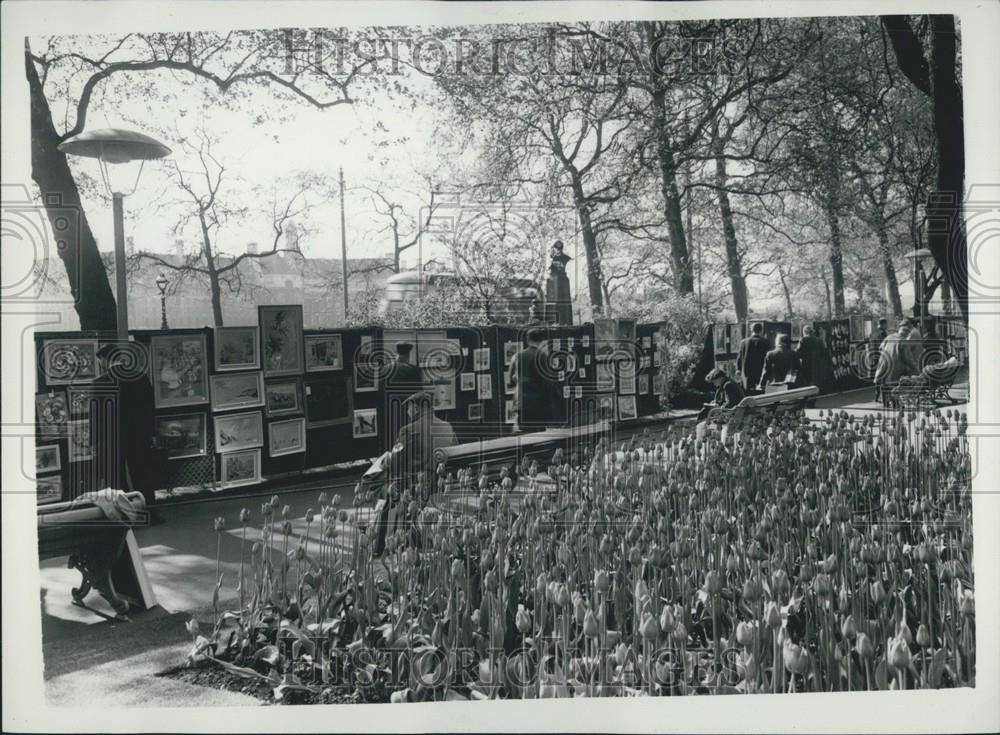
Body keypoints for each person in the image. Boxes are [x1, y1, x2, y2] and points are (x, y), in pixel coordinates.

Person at [374, 391, 457, 555]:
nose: (407, 412)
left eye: (409, 408)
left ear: (417, 408)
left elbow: (397, 463)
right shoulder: (447, 427)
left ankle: (379, 548)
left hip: (414, 488)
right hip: (439, 487)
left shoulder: (408, 430)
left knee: (384, 492)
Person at [96, 343, 159, 508]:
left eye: (100, 361)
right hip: (139, 435)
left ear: (104, 360)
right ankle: (149, 512)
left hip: (111, 438)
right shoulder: (140, 377)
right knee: (143, 474)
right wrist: (151, 434)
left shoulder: (100, 382)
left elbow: (96, 417)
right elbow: (149, 409)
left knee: (115, 477)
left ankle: (122, 514)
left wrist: (94, 443)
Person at [508, 327, 559, 431]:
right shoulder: (542, 356)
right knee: (538, 437)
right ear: (542, 341)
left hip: (520, 402)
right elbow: (547, 382)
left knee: (524, 437)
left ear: (527, 340)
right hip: (538, 404)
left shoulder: (516, 356)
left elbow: (511, 381)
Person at [382, 342, 423, 452]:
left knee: (391, 436)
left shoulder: (385, 369)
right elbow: (419, 394)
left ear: (397, 352)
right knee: (407, 439)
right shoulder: (413, 370)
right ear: (408, 354)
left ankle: (391, 459)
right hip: (407, 411)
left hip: (389, 410)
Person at [873, 321, 919, 388]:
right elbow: (908, 359)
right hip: (895, 371)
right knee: (897, 386)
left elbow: (880, 348)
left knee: (883, 385)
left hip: (884, 366)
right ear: (907, 334)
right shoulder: (903, 341)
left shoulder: (889, 337)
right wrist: (916, 368)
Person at [736, 323, 769, 395]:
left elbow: (739, 356)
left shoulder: (743, 342)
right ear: (761, 330)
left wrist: (738, 369)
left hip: (746, 374)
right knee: (759, 393)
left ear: (751, 330)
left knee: (747, 393)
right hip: (759, 372)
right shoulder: (765, 342)